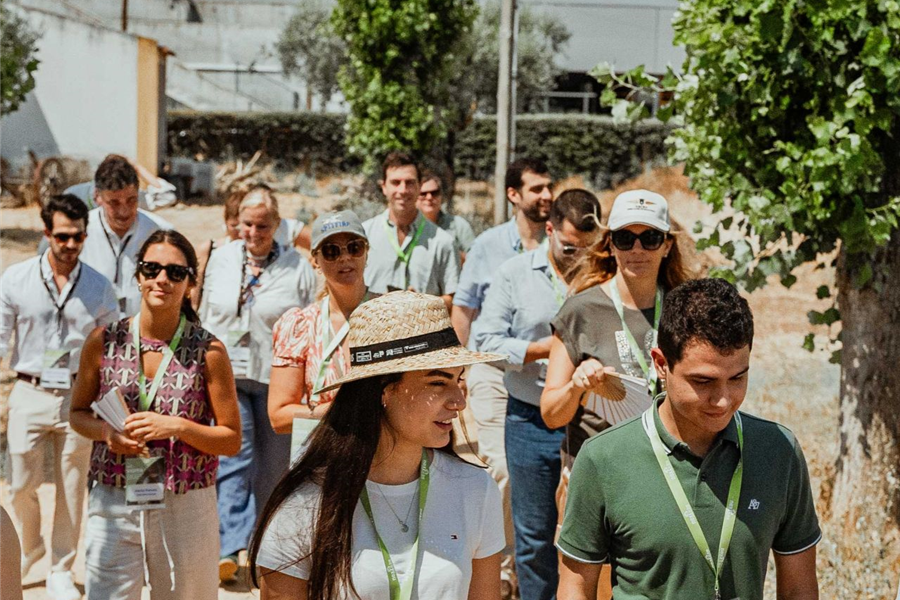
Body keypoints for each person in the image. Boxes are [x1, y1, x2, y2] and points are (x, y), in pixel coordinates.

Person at [557, 278, 821, 600]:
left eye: (737, 378)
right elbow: (575, 587)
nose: (723, 400)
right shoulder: (603, 459)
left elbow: (799, 589)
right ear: (661, 364)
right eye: (703, 382)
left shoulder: (779, 451)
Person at [249, 291, 506, 599]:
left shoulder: (476, 489)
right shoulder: (305, 504)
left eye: (458, 380)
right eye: (438, 382)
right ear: (383, 391)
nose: (459, 402)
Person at [69, 230, 242, 600]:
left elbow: (230, 439)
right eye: (152, 269)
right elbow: (77, 414)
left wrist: (177, 426)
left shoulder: (208, 350)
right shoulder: (103, 340)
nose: (162, 279)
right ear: (139, 276)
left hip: (186, 499)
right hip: (114, 493)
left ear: (190, 284)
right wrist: (108, 435)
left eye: (175, 273)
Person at [475, 189, 601, 600]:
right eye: (569, 247)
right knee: (533, 538)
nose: (578, 257)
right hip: (529, 419)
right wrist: (550, 349)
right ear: (548, 230)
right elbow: (486, 341)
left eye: (589, 248)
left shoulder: (604, 277)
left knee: (592, 535)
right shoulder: (513, 274)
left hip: (591, 421)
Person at [0, 194, 118, 600]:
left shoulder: (100, 287)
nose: (71, 245)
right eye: (63, 236)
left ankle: (60, 568)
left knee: (71, 484)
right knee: (18, 481)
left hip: (76, 393)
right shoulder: (15, 279)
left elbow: (113, 351)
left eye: (79, 237)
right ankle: (30, 544)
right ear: (46, 232)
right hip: (29, 389)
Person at [199, 185, 317, 581]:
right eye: (247, 224)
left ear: (277, 226)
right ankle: (230, 546)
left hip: (276, 379)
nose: (254, 232)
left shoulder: (297, 267)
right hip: (227, 375)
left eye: (263, 226)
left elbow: (307, 321)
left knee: (273, 467)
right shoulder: (221, 257)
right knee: (233, 458)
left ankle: (264, 542)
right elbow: (204, 310)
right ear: (238, 224)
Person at [450, 156, 554, 594]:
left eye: (549, 187)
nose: (546, 196)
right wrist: (453, 369)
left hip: (551, 378)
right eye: (536, 189)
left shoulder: (563, 242)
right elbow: (465, 307)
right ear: (513, 195)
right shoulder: (488, 247)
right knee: (504, 468)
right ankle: (503, 563)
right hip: (494, 373)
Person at [268, 210, 374, 454]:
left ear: (366, 253)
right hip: (326, 457)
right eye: (331, 251)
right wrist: (340, 411)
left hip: (385, 457)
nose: (344, 257)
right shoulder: (300, 325)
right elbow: (279, 416)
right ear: (315, 260)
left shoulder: (393, 315)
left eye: (354, 247)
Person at [362, 152, 460, 308]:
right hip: (372, 330)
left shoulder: (443, 242)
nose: (403, 190)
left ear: (419, 186)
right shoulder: (363, 236)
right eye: (395, 182)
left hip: (422, 330)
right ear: (384, 187)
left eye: (409, 183)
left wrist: (423, 305)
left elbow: (454, 298)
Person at [78, 155, 171, 317]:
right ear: (97, 197)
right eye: (114, 203)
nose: (124, 211)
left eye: (131, 200)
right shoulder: (80, 233)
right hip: (93, 331)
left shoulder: (159, 232)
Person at [192, 186, 310, 310]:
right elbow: (195, 292)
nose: (249, 232)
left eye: (260, 226)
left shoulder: (282, 256)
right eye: (236, 226)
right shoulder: (213, 251)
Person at [416, 170, 476, 259]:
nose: (429, 197)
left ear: (441, 196)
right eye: (423, 194)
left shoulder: (459, 226)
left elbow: (476, 260)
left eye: (434, 193)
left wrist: (453, 255)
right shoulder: (407, 228)